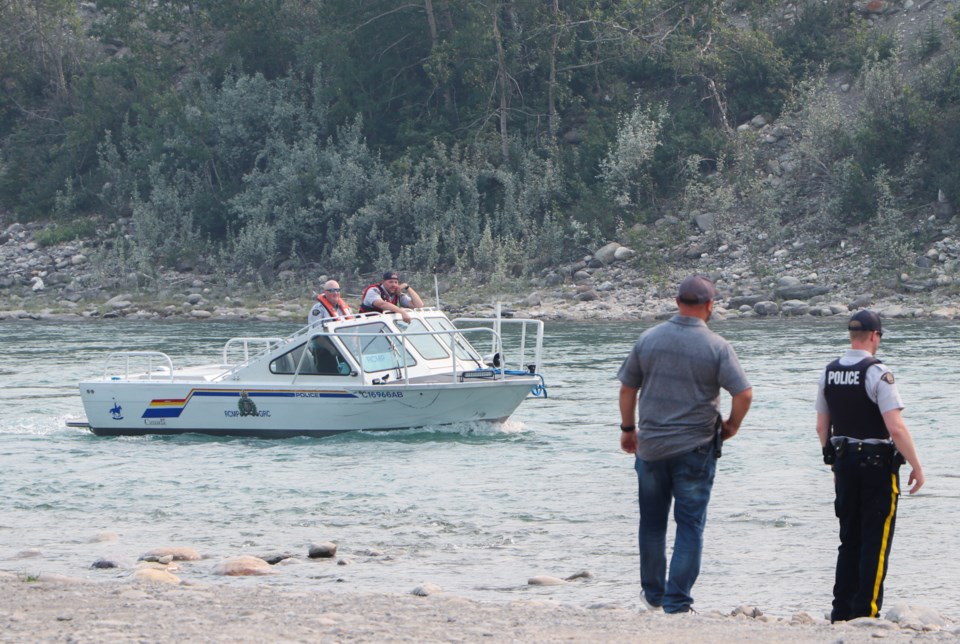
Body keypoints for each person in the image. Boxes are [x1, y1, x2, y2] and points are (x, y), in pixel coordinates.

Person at [617, 274, 753, 614]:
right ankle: (677, 602)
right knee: (690, 524)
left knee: (651, 523)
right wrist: (731, 425)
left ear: (677, 302)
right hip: (696, 448)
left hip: (650, 447)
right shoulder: (718, 347)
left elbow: (627, 389)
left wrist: (628, 429)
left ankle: (653, 596)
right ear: (710, 306)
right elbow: (744, 393)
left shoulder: (648, 339)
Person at [815, 310, 924, 623]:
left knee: (848, 538)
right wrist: (917, 465)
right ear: (875, 335)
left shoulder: (829, 372)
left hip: (845, 462)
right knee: (875, 541)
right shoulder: (878, 373)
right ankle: (866, 611)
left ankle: (841, 611)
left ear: (852, 335)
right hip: (876, 466)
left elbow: (822, 428)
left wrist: (833, 464)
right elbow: (896, 427)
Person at [359, 270, 424, 323]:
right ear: (383, 282)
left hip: (384, 327)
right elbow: (382, 304)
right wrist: (402, 312)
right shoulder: (374, 290)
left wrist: (407, 287)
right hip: (367, 325)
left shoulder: (397, 294)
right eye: (391, 282)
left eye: (396, 282)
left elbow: (419, 305)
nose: (394, 285)